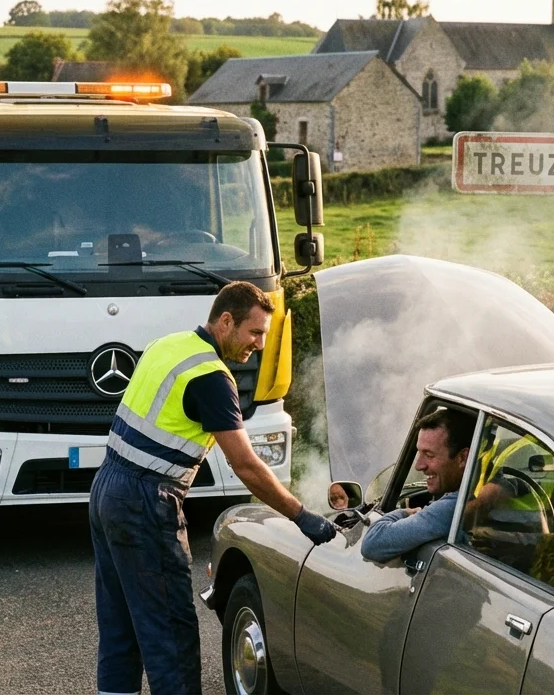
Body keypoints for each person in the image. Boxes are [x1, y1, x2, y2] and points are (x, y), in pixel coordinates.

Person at [89, 281, 337, 695]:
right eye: (254, 332)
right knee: (171, 634)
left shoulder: (168, 345)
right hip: (146, 502)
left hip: (106, 489)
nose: (258, 344)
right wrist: (301, 514)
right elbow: (245, 464)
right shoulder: (211, 378)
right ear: (226, 321)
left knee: (121, 630)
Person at [360, 408, 477, 563]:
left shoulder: (453, 508)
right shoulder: (489, 491)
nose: (418, 466)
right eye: (419, 453)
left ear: (463, 458)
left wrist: (404, 513)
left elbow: (372, 544)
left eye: (429, 455)